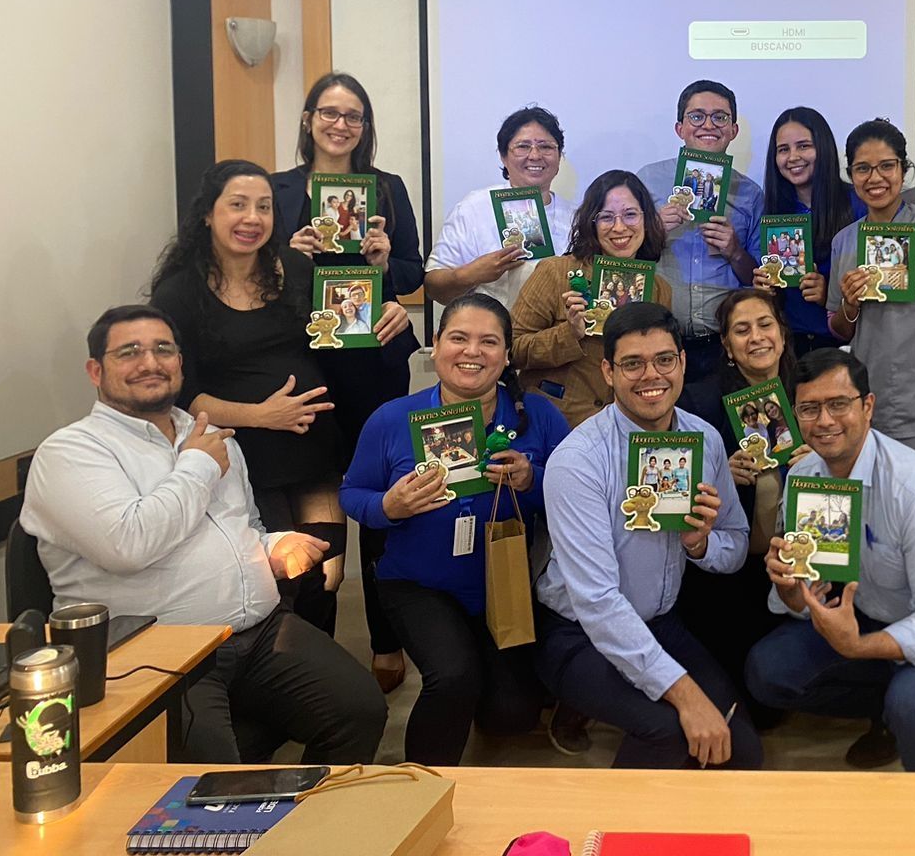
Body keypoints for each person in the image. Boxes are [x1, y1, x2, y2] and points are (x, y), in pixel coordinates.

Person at [20, 305, 386, 764]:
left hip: (260, 632)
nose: (150, 362)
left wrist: (275, 547)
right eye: (129, 352)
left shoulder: (213, 436)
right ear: (96, 371)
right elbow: (128, 544)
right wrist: (196, 464)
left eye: (163, 350)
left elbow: (243, 526)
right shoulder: (71, 451)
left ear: (180, 363)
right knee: (209, 785)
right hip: (157, 651)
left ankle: (306, 824)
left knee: (361, 709)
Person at [149, 160, 411, 635]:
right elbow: (176, 393)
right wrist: (262, 414)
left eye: (264, 207)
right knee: (273, 581)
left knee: (324, 577)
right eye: (238, 205)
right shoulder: (177, 293)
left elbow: (347, 325)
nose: (252, 217)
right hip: (242, 459)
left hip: (313, 450)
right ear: (208, 213)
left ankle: (319, 687)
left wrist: (387, 306)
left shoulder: (293, 268)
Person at [744, 349, 915, 772]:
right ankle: (891, 701)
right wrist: (787, 584)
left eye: (838, 404)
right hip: (870, 611)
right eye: (810, 408)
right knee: (768, 670)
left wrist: (857, 646)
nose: (825, 421)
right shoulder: (806, 476)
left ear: (868, 406)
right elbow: (803, 600)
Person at [342, 292, 570, 765]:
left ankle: (485, 690)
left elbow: (577, 497)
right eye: (459, 338)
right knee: (453, 677)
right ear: (436, 343)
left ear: (507, 355)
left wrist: (533, 481)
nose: (472, 352)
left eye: (489, 342)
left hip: (502, 583)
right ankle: (418, 789)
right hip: (418, 583)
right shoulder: (392, 418)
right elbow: (352, 495)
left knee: (514, 714)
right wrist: (390, 505)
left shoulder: (540, 416)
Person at [534, 302, 762, 769]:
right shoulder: (577, 461)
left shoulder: (705, 440)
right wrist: (685, 696)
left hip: (660, 624)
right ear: (608, 371)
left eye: (663, 360)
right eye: (632, 364)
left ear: (681, 362)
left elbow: (736, 543)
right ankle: (609, 838)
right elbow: (597, 602)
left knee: (740, 752)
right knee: (674, 734)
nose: (650, 376)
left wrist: (700, 545)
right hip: (579, 634)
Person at [269, 72, 424, 670]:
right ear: (309, 120)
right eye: (329, 113)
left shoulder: (386, 189)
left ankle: (387, 641)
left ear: (366, 126)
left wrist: (387, 269)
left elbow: (413, 274)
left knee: (381, 502)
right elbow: (257, 279)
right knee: (317, 507)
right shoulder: (279, 191)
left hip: (372, 366)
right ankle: (315, 655)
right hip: (304, 366)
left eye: (353, 115)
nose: (340, 125)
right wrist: (290, 254)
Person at [676, 289, 807, 726]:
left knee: (775, 698)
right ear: (727, 347)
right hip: (728, 575)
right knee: (750, 710)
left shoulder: (811, 397)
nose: (756, 337)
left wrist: (823, 464)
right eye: (741, 330)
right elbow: (676, 492)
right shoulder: (700, 404)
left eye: (765, 324)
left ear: (783, 335)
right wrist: (715, 475)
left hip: (796, 568)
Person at [825, 119, 915, 469]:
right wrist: (849, 303)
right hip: (865, 406)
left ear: (904, 170)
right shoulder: (845, 240)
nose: (875, 178)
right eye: (863, 169)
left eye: (886, 166)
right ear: (851, 174)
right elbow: (839, 328)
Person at [510, 170, 673, 426]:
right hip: (557, 422)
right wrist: (569, 333)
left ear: (646, 219)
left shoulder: (658, 289)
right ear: (591, 223)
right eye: (606, 217)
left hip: (626, 425)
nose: (620, 227)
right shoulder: (556, 272)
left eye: (630, 214)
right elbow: (513, 349)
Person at [639, 80, 764, 382]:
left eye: (720, 117)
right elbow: (620, 259)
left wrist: (735, 251)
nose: (708, 125)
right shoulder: (646, 180)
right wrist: (651, 231)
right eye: (697, 116)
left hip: (723, 348)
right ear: (679, 128)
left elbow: (761, 279)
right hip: (657, 345)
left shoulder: (750, 193)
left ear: (733, 130)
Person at [426, 106, 578, 310]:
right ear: (503, 156)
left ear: (559, 156)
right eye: (523, 146)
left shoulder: (577, 217)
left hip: (556, 338)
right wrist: (471, 275)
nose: (535, 155)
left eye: (546, 147)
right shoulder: (474, 208)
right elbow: (434, 286)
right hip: (493, 334)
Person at [755, 107, 862, 355]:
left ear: (822, 148)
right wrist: (764, 291)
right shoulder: (772, 212)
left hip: (845, 344)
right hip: (789, 344)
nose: (793, 157)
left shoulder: (857, 203)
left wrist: (831, 296)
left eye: (803, 146)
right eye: (783, 150)